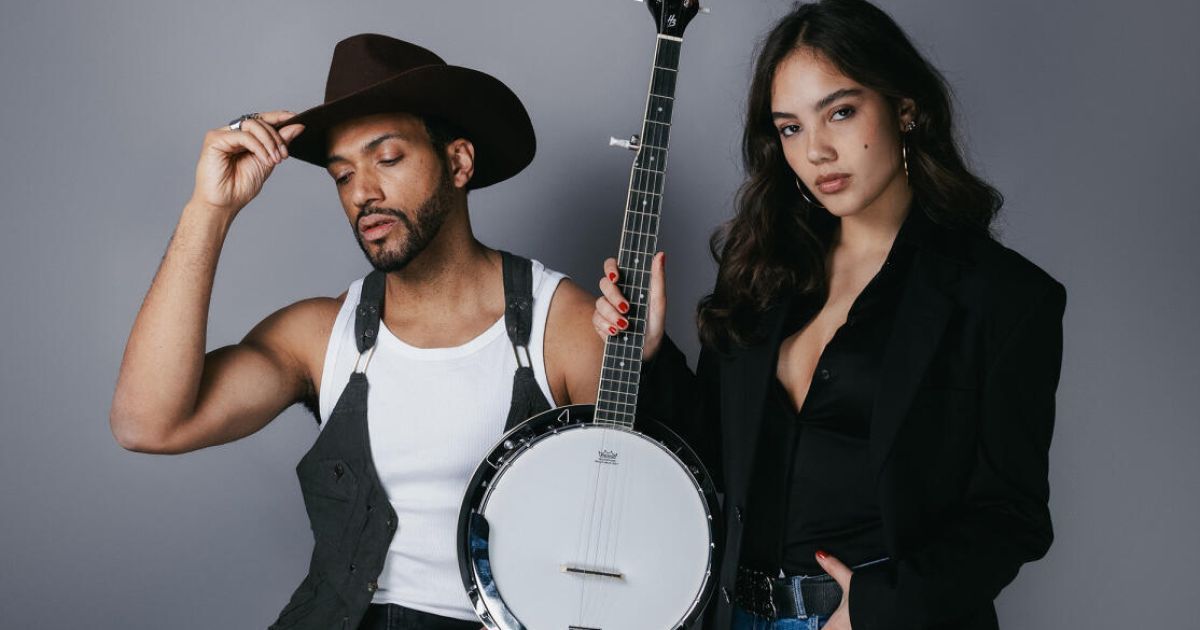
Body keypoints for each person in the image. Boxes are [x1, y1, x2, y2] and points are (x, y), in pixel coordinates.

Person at [593, 1, 1066, 628]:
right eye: (790, 128)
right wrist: (652, 353)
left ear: (905, 108)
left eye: (840, 112)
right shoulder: (762, 269)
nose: (816, 150)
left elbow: (1011, 515)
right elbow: (717, 455)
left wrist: (876, 608)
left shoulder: (1003, 296)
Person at [110, 34, 602, 630]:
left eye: (387, 159)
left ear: (458, 163)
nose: (362, 194)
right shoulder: (322, 335)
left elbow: (631, 527)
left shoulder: (565, 325)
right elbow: (147, 423)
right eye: (342, 176)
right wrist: (208, 211)